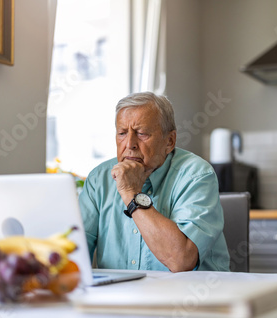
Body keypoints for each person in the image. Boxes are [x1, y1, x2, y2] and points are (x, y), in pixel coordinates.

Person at [79, 92, 230, 272]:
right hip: (121, 297)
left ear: (169, 141)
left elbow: (181, 261)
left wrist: (131, 193)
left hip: (191, 297)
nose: (130, 144)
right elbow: (72, 254)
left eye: (141, 133)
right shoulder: (99, 179)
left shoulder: (197, 175)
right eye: (122, 133)